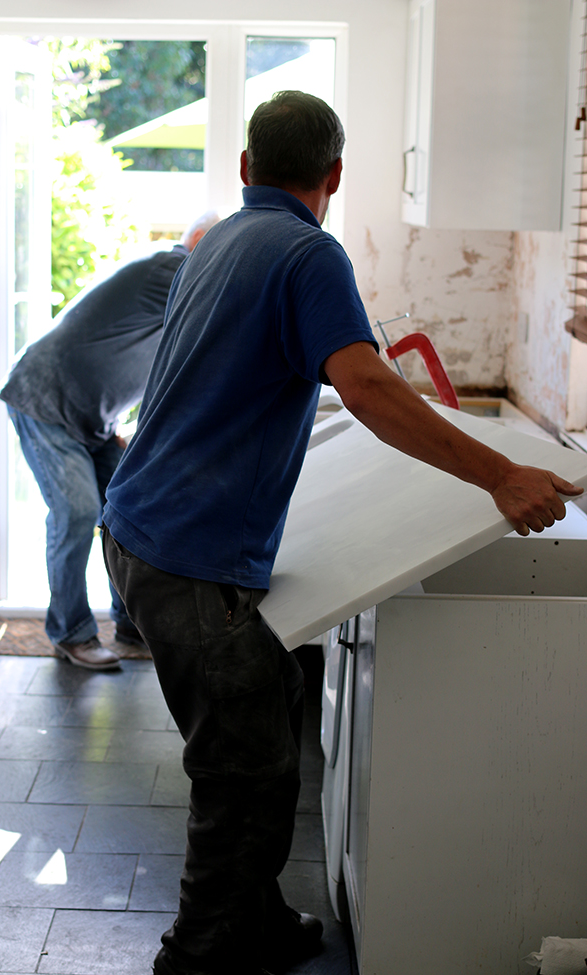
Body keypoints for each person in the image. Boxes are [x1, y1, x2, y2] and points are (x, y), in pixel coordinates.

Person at [101, 91, 582, 975]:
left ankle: (254, 915)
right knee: (242, 774)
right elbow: (364, 387)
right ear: (334, 176)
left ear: (247, 169)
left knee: (279, 698)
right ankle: (200, 954)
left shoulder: (221, 241)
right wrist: (502, 474)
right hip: (189, 556)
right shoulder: (308, 252)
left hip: (138, 531)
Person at [0, 212, 219, 671]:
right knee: (77, 512)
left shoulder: (178, 282)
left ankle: (130, 627)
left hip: (92, 417)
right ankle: (71, 634)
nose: (224, 265)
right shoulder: (171, 268)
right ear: (196, 243)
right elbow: (220, 325)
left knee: (132, 514)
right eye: (219, 252)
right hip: (44, 397)